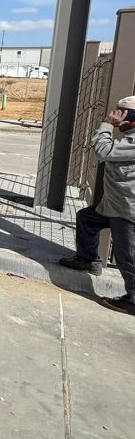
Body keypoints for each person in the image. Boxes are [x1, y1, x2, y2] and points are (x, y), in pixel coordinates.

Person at [60, 95, 135, 314]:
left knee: (127, 255)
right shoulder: (130, 136)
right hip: (115, 204)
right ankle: (88, 259)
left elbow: (103, 151)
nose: (116, 116)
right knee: (87, 218)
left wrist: (106, 125)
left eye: (121, 113)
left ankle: (133, 300)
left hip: (127, 209)